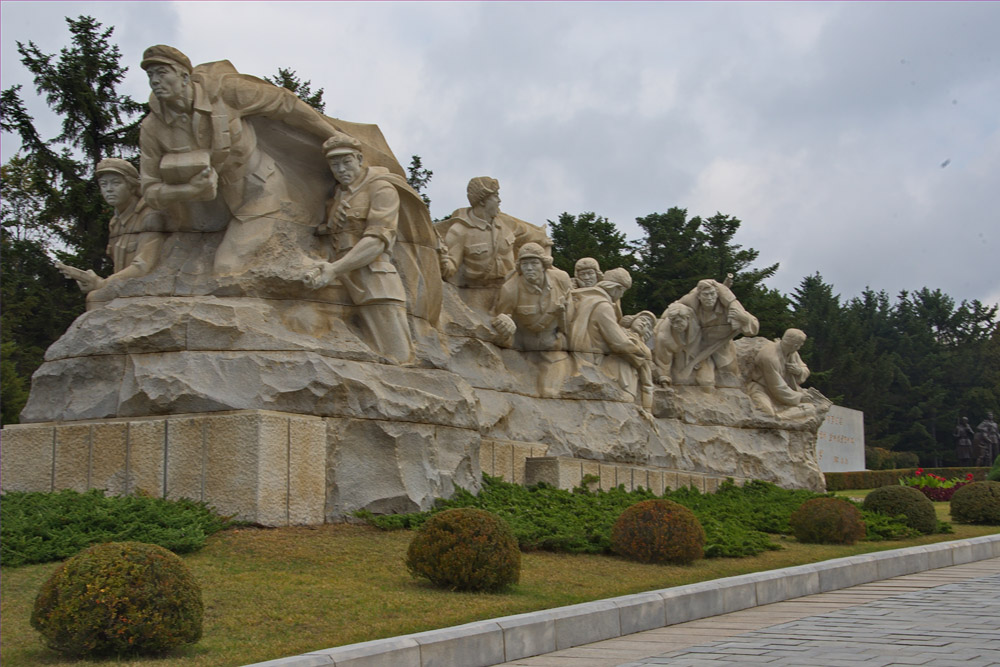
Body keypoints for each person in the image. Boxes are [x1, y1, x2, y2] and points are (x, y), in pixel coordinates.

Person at [138, 45, 339, 276]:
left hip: (257, 191)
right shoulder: (152, 128)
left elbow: (286, 104)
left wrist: (333, 136)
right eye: (150, 75)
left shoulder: (227, 92)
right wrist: (188, 189)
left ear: (184, 76)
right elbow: (150, 190)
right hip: (203, 211)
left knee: (226, 268)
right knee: (186, 274)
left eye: (162, 73)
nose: (154, 81)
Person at [301, 131, 414, 364]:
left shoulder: (381, 189)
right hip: (342, 281)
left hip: (376, 285)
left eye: (346, 162)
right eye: (335, 164)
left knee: (399, 361)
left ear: (360, 160)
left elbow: (376, 240)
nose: (341, 169)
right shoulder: (338, 195)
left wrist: (335, 269)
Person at [57, 158, 167, 294]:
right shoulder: (115, 223)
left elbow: (143, 266)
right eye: (103, 184)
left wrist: (102, 283)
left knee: (95, 297)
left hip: (151, 290)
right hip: (126, 289)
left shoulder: (149, 216)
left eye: (116, 183)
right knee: (94, 296)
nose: (109, 189)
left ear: (131, 186)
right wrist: (93, 282)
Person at [438, 177, 550, 290]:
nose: (499, 200)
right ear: (482, 201)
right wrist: (442, 260)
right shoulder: (459, 231)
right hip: (474, 292)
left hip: (509, 289)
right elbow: (449, 270)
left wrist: (544, 241)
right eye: (495, 196)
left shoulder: (506, 222)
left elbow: (534, 236)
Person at [492, 243, 573, 396]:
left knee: (550, 392)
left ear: (544, 265)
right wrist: (505, 329)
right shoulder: (510, 289)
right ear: (519, 267)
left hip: (553, 347)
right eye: (525, 264)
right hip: (523, 348)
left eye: (534, 263)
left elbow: (572, 316)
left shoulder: (561, 279)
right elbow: (500, 329)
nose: (529, 268)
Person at [566, 268, 650, 402]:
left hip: (583, 352)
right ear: (617, 288)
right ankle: (626, 398)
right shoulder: (603, 305)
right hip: (592, 358)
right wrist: (640, 356)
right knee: (627, 361)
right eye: (622, 292)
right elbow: (619, 343)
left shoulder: (587, 297)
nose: (621, 296)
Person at [675, 278, 759, 387]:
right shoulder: (690, 301)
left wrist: (744, 318)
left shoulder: (730, 306)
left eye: (712, 294)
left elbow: (754, 328)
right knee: (705, 381)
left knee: (730, 378)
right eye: (705, 295)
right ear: (699, 296)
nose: (709, 298)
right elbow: (672, 309)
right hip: (699, 346)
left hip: (722, 346)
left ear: (717, 294)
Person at [747, 329, 812, 416]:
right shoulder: (770, 357)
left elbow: (804, 368)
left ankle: (782, 417)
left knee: (810, 409)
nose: (799, 348)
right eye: (800, 345)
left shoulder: (792, 353)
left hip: (786, 393)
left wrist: (799, 371)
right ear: (795, 345)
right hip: (763, 390)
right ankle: (781, 416)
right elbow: (777, 387)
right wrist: (800, 397)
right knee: (767, 413)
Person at [652, 301, 701, 386]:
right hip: (677, 350)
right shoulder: (664, 336)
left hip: (697, 353)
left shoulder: (698, 322)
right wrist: (664, 376)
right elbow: (663, 361)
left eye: (678, 322)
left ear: (687, 318)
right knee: (680, 379)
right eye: (673, 322)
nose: (675, 325)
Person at [619, 311, 658, 410]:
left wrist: (647, 409)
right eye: (643, 319)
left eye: (648, 325)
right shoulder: (617, 331)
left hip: (626, 389)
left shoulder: (645, 350)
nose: (644, 324)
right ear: (633, 318)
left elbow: (647, 383)